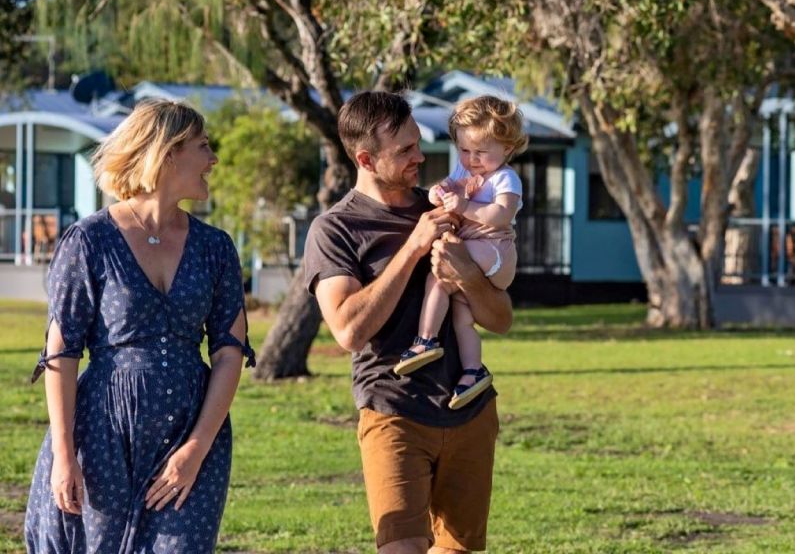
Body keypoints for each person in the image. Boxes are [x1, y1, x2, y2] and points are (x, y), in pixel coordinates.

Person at [24, 99, 255, 554]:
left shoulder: (215, 247)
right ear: (167, 152)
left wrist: (196, 448)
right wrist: (65, 455)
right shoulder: (90, 240)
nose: (213, 159)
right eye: (203, 147)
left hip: (192, 428)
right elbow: (62, 352)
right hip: (103, 429)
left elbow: (230, 351)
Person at [303, 91, 513, 553]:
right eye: (404, 150)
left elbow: (500, 319)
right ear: (365, 158)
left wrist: (469, 276)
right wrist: (415, 246)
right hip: (393, 413)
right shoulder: (334, 230)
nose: (421, 156)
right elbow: (347, 330)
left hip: (470, 414)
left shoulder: (449, 206)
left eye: (419, 143)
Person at [395, 96, 526, 410]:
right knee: (462, 316)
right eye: (465, 150)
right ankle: (472, 371)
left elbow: (502, 215)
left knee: (440, 274)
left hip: (495, 249)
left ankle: (425, 340)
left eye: (481, 152)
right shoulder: (465, 169)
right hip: (476, 248)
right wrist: (439, 192)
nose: (472, 159)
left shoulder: (505, 178)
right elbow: (448, 189)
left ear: (507, 148)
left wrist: (466, 206)